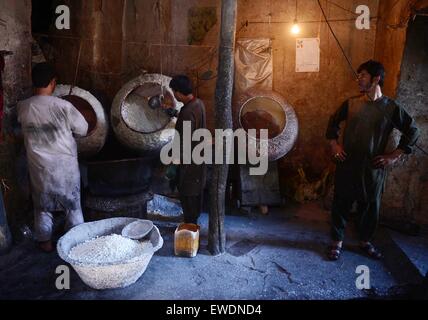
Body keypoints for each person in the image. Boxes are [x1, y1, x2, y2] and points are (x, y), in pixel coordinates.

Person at [325, 60, 420, 261]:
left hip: (373, 167)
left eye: (363, 75)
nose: (358, 79)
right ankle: (337, 241)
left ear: (376, 79)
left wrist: (393, 156)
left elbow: (412, 131)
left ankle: (365, 241)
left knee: (369, 207)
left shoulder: (391, 108)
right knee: (341, 203)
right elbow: (332, 124)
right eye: (359, 75)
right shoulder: (350, 103)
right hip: (347, 163)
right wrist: (335, 145)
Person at [17, 63, 88, 252]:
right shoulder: (64, 106)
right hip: (65, 166)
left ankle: (45, 244)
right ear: (53, 82)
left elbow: (15, 128)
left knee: (42, 208)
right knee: (73, 207)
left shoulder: (23, 107)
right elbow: (83, 129)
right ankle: (76, 245)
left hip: (39, 166)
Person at [164, 75, 207, 225]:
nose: (174, 95)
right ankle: (192, 225)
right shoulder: (198, 104)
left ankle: (190, 230)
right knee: (194, 194)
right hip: (198, 158)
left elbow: (185, 143)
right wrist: (175, 113)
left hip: (189, 162)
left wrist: (174, 165)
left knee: (188, 196)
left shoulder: (187, 112)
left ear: (178, 92)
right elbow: (190, 122)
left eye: (174, 91)